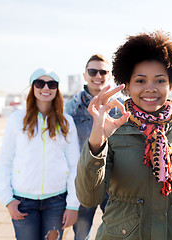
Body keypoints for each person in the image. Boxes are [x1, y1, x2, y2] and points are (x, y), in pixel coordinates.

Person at [75, 31, 172, 240]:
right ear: (127, 86)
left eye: (159, 81)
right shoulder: (113, 130)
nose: (150, 89)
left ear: (170, 84)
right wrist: (97, 142)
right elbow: (88, 197)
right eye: (140, 81)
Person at [0, 68, 80, 240]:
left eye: (52, 84)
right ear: (32, 87)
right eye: (40, 83)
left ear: (57, 89)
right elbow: (5, 161)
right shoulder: (17, 120)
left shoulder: (66, 122)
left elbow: (74, 165)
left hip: (57, 200)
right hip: (23, 201)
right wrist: (7, 199)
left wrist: (73, 205)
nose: (46, 88)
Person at [65, 54, 120, 240]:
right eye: (93, 71)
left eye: (103, 72)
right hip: (84, 179)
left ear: (109, 76)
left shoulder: (119, 106)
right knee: (81, 234)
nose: (98, 75)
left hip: (113, 182)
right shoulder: (71, 108)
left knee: (118, 232)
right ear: (85, 75)